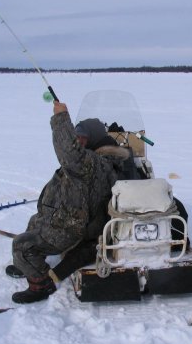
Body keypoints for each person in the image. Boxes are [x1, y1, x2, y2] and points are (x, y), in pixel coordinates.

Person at [10, 100, 131, 304]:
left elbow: (69, 153)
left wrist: (60, 118)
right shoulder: (94, 161)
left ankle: (40, 284)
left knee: (21, 245)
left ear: (94, 140)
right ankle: (27, 264)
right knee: (33, 224)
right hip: (64, 218)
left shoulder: (93, 164)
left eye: (83, 138)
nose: (79, 142)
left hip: (70, 228)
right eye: (77, 138)